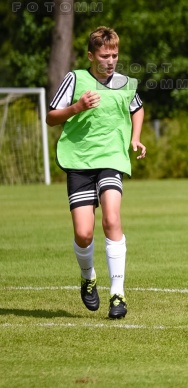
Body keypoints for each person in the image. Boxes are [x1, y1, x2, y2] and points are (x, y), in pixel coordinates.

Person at [46, 26, 146, 319]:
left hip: (112, 158)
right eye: (104, 55)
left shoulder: (126, 83)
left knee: (112, 218)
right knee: (83, 233)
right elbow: (52, 117)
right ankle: (88, 276)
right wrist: (76, 107)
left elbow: (136, 108)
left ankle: (118, 294)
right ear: (91, 55)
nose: (110, 60)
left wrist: (135, 137)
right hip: (79, 161)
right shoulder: (75, 79)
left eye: (114, 55)